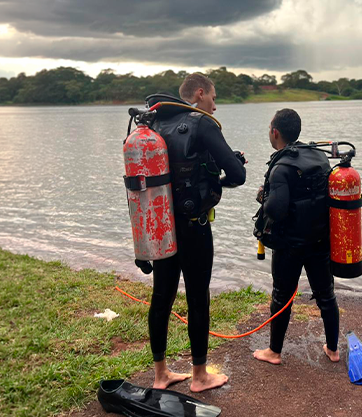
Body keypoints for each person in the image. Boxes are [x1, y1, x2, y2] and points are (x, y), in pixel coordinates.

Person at [145, 73, 246, 392]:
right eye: (213, 99)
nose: (214, 106)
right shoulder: (200, 124)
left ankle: (160, 374)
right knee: (198, 298)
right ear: (200, 94)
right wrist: (226, 170)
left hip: (160, 225)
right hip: (194, 228)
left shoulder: (153, 125)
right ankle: (200, 376)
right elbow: (238, 175)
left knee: (161, 297)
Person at [253, 109, 340, 365]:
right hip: (320, 241)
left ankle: (274, 352)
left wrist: (262, 196)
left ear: (275, 132)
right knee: (326, 295)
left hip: (289, 246)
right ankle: (333, 350)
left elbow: (276, 210)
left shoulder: (281, 166)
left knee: (281, 295)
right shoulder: (319, 157)